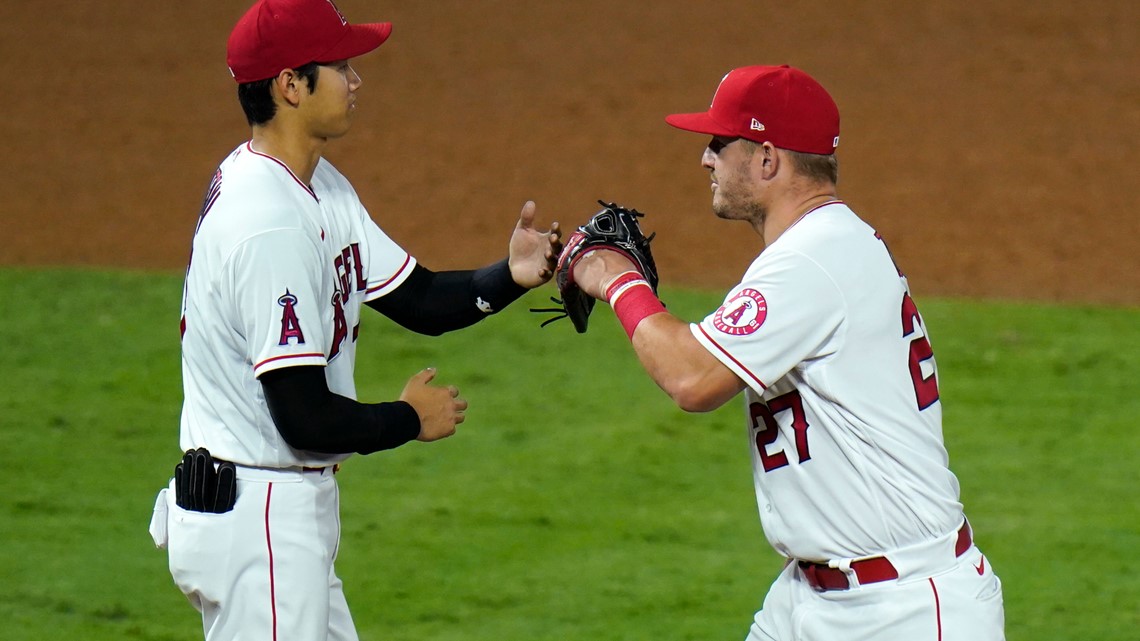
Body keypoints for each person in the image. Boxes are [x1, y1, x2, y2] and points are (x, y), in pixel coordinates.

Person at [145, 0, 561, 639]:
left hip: (277, 517)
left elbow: (418, 298)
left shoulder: (317, 186)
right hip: (260, 521)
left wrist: (509, 276)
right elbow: (304, 417)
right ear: (290, 85)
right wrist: (406, 420)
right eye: (339, 65)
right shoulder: (268, 222)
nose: (355, 78)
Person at [567, 65, 1005, 640]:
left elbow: (691, 378)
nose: (706, 159)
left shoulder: (813, 258)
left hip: (904, 611)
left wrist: (618, 280)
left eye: (720, 144)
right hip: (809, 599)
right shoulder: (825, 245)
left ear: (768, 160)